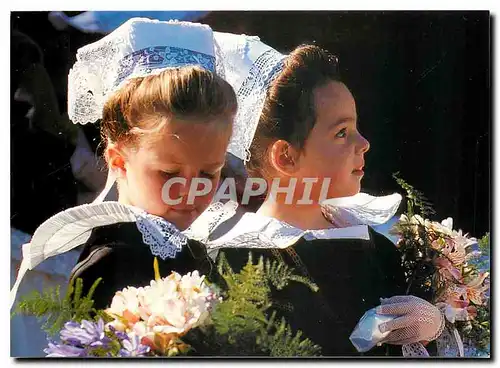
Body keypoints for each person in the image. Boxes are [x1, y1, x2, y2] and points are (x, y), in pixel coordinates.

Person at [202, 34, 445, 356]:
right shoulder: (238, 261)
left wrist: (436, 326)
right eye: (342, 133)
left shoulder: (381, 247)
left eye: (356, 128)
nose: (364, 144)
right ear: (285, 157)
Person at [10, 18, 237, 313]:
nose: (190, 190)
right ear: (119, 160)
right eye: (169, 173)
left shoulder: (202, 245)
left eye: (208, 172)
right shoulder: (109, 266)